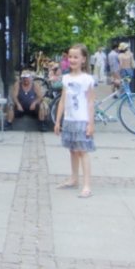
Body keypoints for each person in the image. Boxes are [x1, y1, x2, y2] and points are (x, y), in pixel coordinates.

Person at [54, 43, 95, 198]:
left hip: (82, 119)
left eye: (76, 57)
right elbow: (63, 101)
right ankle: (73, 178)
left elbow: (91, 102)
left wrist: (91, 123)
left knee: (82, 151)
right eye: (70, 56)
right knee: (72, 149)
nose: (72, 59)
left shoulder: (87, 79)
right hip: (69, 119)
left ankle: (87, 185)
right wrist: (58, 120)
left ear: (83, 59)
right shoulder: (65, 78)